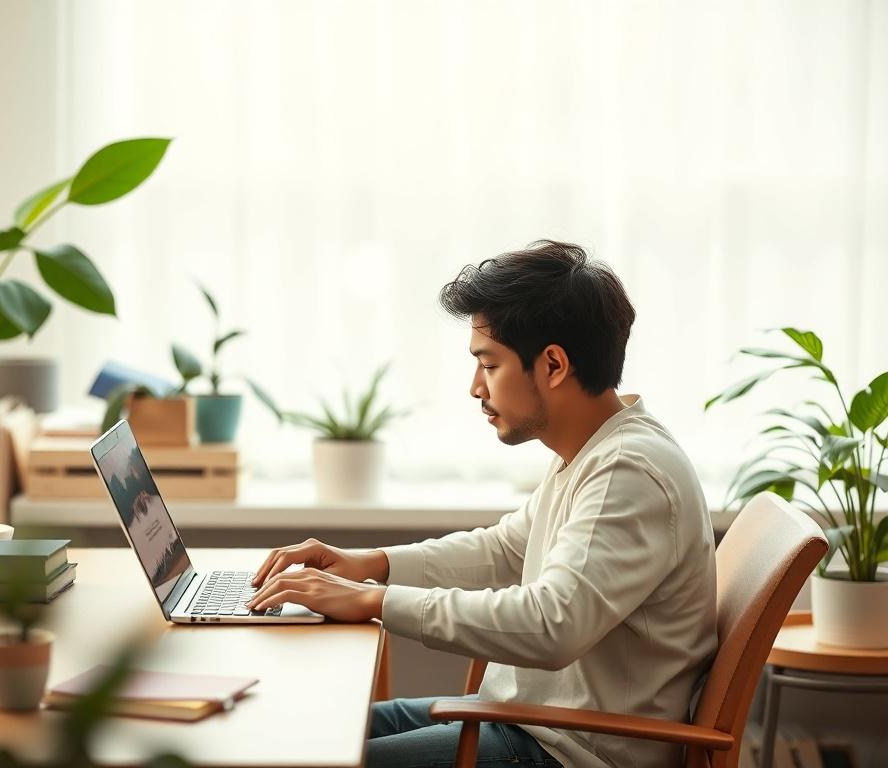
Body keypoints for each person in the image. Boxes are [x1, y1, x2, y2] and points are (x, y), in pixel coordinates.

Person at [248, 240, 717, 768]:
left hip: (566, 750)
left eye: (488, 365)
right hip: (522, 719)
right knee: (295, 730)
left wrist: (372, 601)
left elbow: (551, 625)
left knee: (302, 754)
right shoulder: (595, 451)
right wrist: (370, 566)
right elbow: (505, 550)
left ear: (554, 365)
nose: (475, 387)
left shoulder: (627, 471)